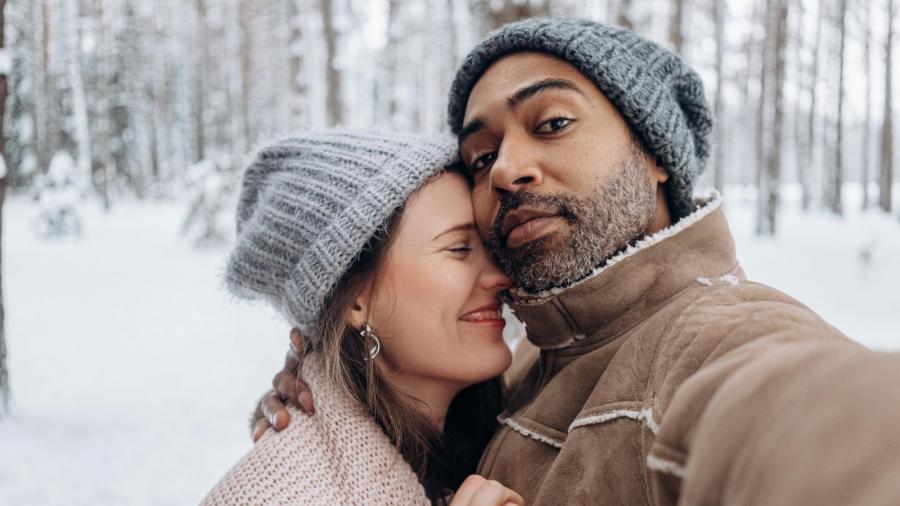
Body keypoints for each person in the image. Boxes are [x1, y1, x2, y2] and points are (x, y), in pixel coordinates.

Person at [257, 18, 900, 505]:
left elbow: (801, 416)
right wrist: (340, 398)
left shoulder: (721, 340)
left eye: (553, 121)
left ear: (655, 156)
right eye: (482, 157)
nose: (506, 169)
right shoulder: (532, 351)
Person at [202, 130, 525, 506]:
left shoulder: (479, 431)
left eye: (489, 245)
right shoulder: (278, 495)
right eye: (458, 248)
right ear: (356, 300)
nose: (501, 275)